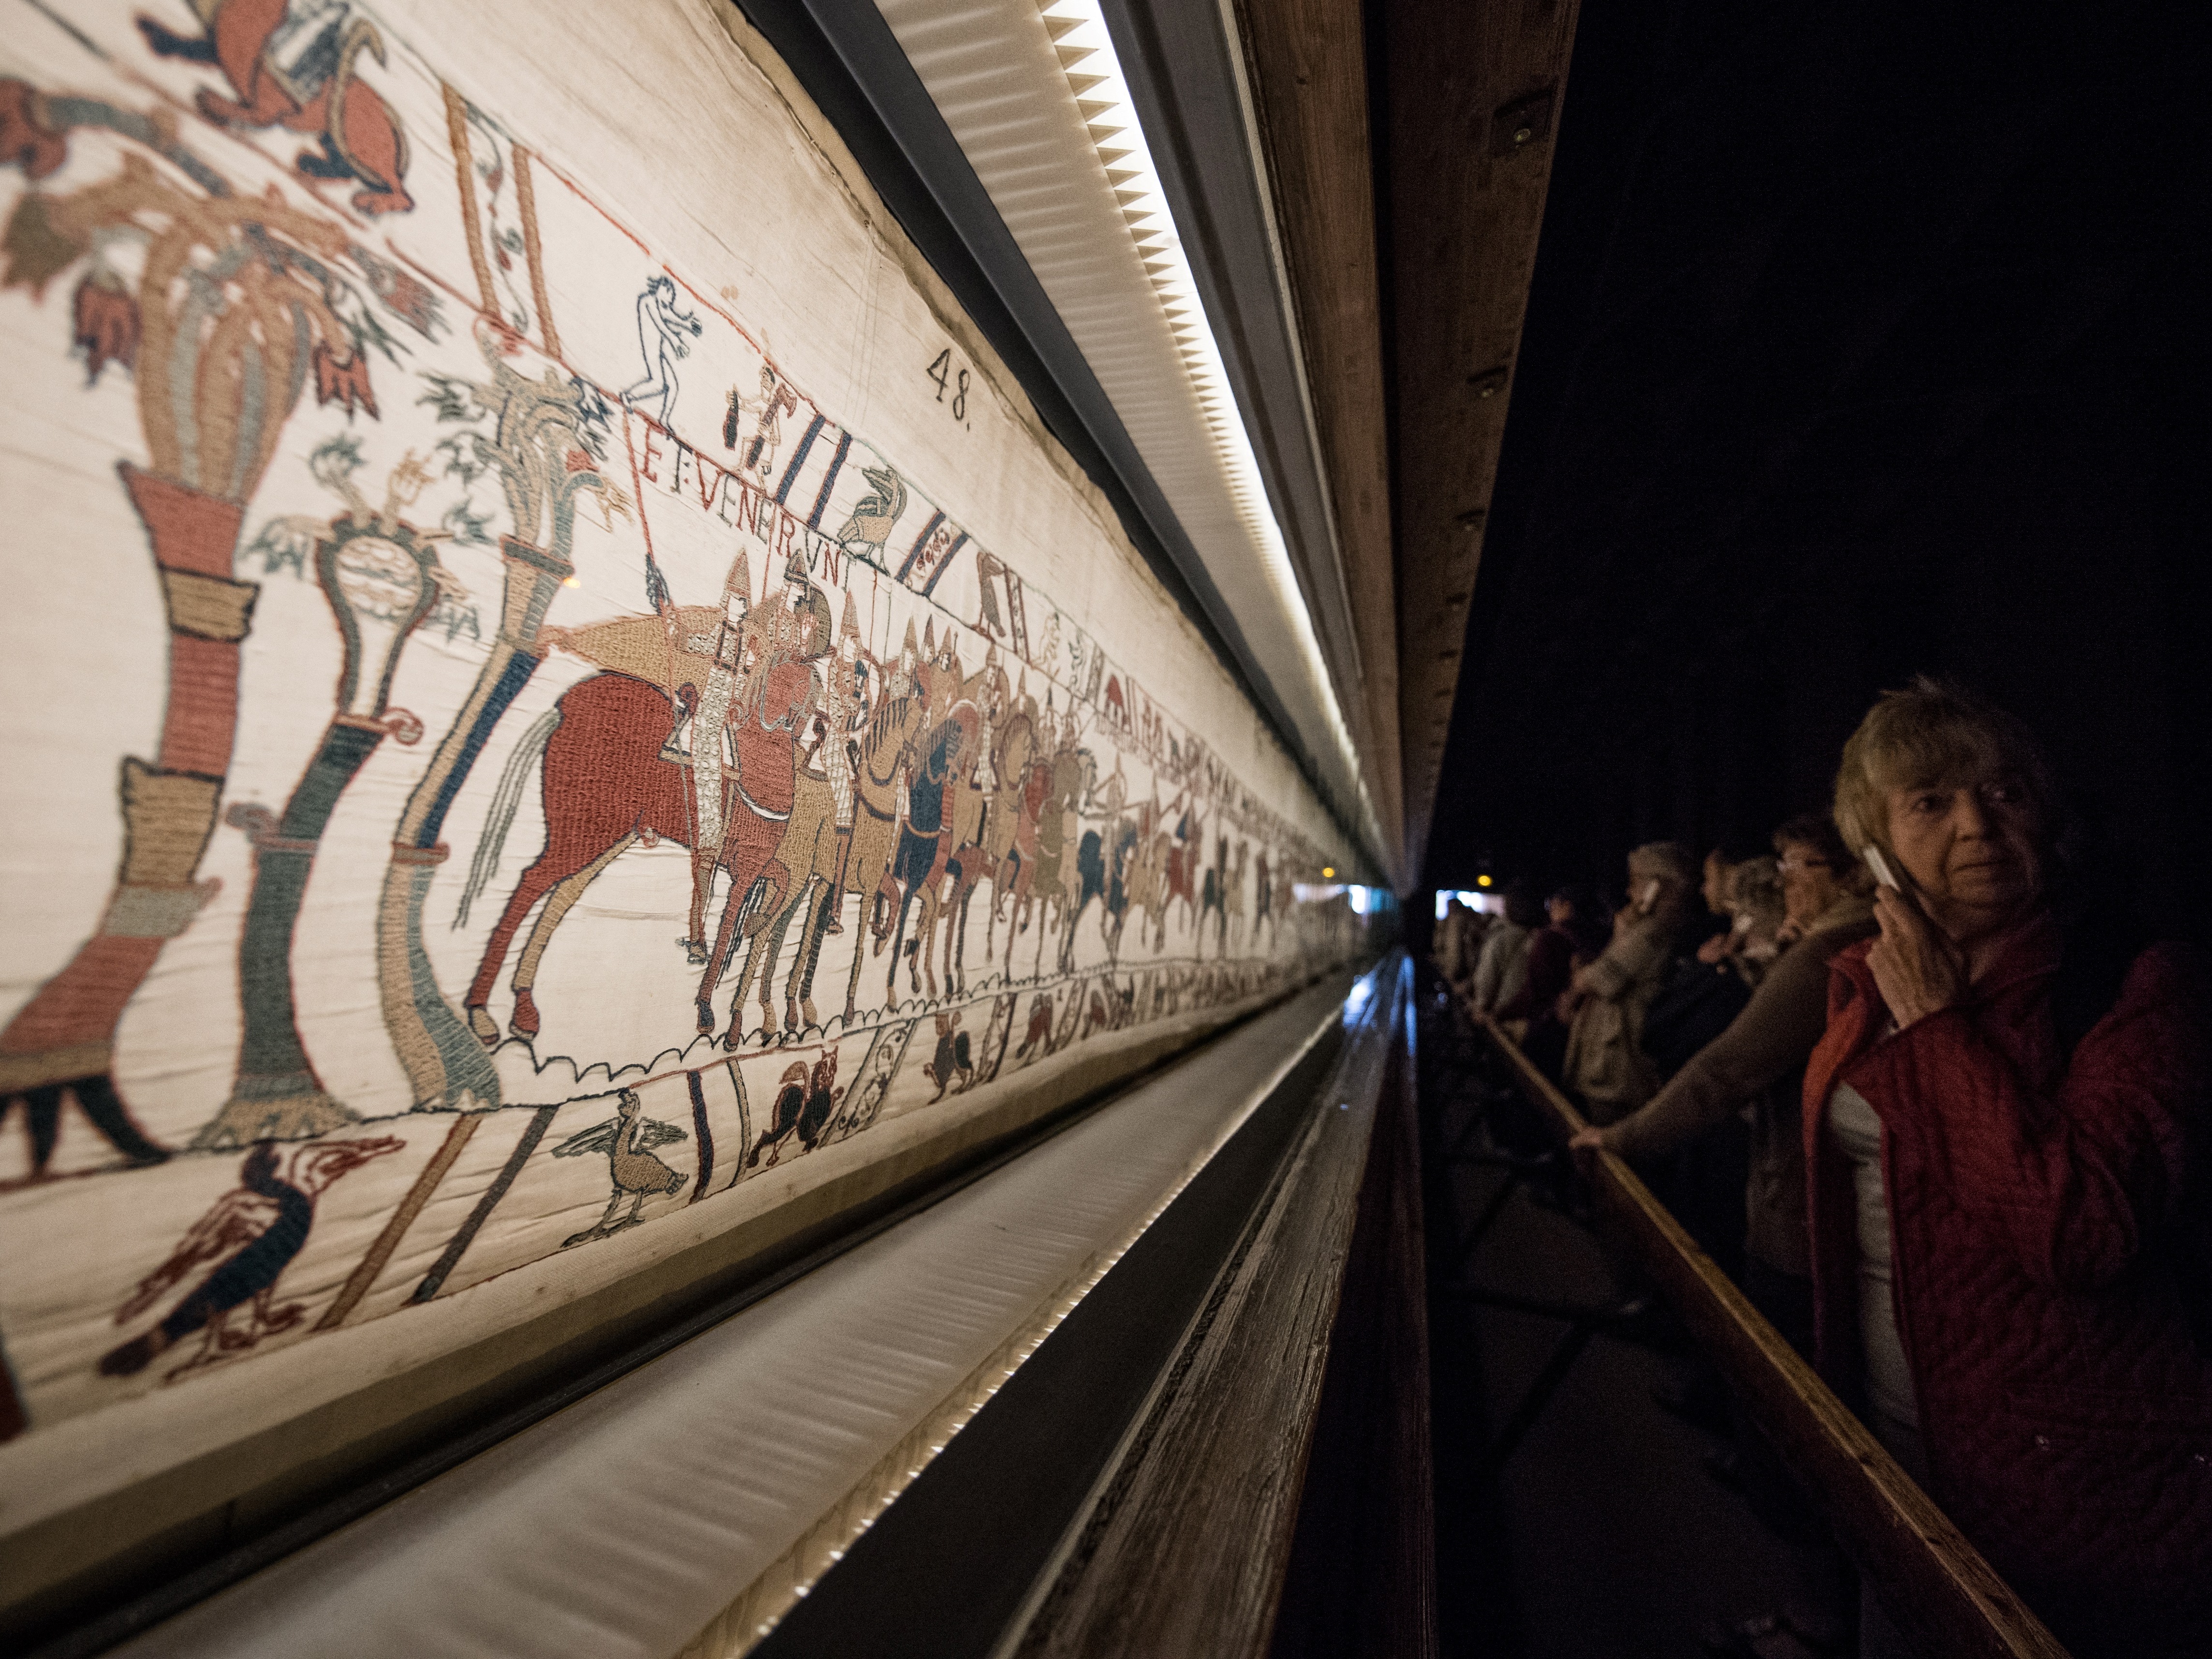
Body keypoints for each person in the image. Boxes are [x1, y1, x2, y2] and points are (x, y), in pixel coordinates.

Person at [1802, 678, 2211, 1659]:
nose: (1978, 825)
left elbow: (2077, 1227)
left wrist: (1941, 1025)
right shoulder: (1864, 981)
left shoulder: (2132, 982)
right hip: (1890, 1434)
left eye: (2006, 795)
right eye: (1931, 802)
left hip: (2068, 1478)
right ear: (1874, 846)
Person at [1572, 821, 1876, 1653]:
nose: (1784, 881)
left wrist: (1624, 1139)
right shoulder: (1842, 946)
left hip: (1796, 1221)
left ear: (1847, 870)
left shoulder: (1828, 955)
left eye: (1795, 866)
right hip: (1820, 1223)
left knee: (1792, 1434)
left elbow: (1724, 1068)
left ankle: (1819, 1622)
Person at [1560, 842, 1699, 1123]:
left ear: (1657, 887)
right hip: (1615, 1068)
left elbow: (1594, 980)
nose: (1628, 891)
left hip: (1618, 1072)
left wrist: (1614, 940)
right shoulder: (1652, 931)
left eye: (1635, 882)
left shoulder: (1652, 933)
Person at [1471, 883, 1544, 1015]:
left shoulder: (1502, 937)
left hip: (1503, 1016)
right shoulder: (1545, 938)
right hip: (1534, 1019)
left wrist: (1482, 1005)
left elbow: (1486, 981)